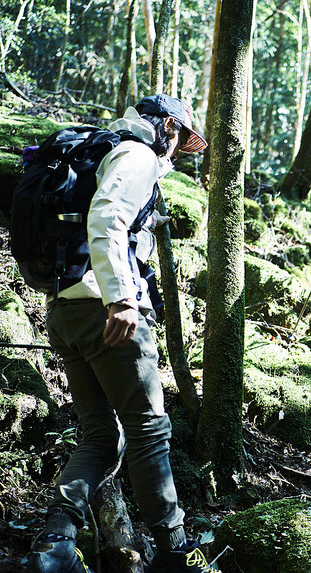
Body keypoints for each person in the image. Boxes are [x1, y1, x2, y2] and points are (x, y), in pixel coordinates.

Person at [27, 95, 218, 573]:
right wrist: (123, 300)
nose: (176, 155)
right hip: (106, 311)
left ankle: (54, 545)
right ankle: (176, 553)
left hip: (66, 309)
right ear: (168, 126)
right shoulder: (136, 154)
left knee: (100, 437)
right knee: (149, 429)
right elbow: (108, 217)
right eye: (179, 142)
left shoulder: (99, 147)